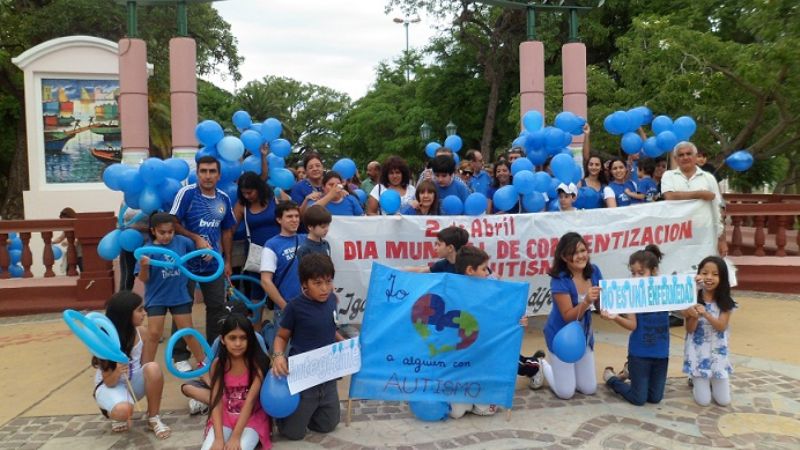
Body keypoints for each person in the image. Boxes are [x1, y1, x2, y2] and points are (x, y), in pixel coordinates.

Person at [448, 246, 540, 419]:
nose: (487, 273)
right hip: (463, 361)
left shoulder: (493, 290)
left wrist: (519, 321)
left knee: (486, 410)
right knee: (456, 412)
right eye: (484, 269)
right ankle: (467, 398)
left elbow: (507, 313)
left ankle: (535, 366)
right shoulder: (453, 290)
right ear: (470, 270)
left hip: (485, 359)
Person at [170, 156, 237, 371]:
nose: (207, 176)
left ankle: (214, 352)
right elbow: (172, 223)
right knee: (183, 308)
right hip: (186, 262)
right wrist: (196, 239)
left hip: (214, 264)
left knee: (217, 308)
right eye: (203, 171)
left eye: (212, 172)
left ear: (218, 175)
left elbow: (227, 231)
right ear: (197, 173)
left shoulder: (224, 198)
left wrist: (227, 260)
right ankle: (180, 355)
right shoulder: (187, 193)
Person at [272, 253, 344, 440]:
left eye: (328, 282)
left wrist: (343, 342)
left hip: (327, 374)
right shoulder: (294, 308)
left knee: (328, 424)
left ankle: (311, 412)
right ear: (304, 283)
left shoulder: (332, 301)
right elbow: (281, 336)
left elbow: (330, 328)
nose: (324, 288)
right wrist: (278, 356)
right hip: (303, 376)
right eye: (318, 283)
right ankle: (283, 418)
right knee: (293, 433)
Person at [91, 291, 170, 439]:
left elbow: (146, 366)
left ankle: (153, 418)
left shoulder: (142, 332)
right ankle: (115, 411)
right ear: (126, 314)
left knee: (153, 368)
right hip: (111, 385)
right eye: (139, 310)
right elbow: (109, 381)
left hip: (132, 381)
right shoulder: (106, 338)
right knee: (124, 411)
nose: (144, 313)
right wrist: (117, 371)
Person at [601, 245, 670, 406]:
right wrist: (616, 317)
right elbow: (632, 325)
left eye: (641, 273)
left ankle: (630, 374)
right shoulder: (632, 294)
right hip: (639, 354)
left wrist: (695, 287)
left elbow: (684, 306)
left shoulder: (665, 291)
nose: (636, 277)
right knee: (639, 399)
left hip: (661, 354)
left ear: (653, 271)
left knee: (654, 398)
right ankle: (612, 379)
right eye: (633, 273)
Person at [135, 213, 205, 366]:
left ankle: (204, 364)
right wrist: (145, 266)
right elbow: (143, 279)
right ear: (153, 231)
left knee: (188, 332)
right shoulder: (146, 250)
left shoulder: (182, 242)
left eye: (170, 232)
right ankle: (145, 369)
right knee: (153, 334)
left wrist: (207, 253)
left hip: (179, 296)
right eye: (162, 232)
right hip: (156, 298)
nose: (167, 236)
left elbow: (200, 251)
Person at [540, 232, 602, 400]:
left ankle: (568, 370)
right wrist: (586, 301)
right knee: (566, 392)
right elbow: (568, 316)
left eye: (583, 250)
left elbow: (601, 305)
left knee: (589, 388)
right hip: (561, 336)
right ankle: (542, 364)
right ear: (564, 257)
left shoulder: (594, 271)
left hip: (583, 335)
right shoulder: (559, 280)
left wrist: (610, 306)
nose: (581, 256)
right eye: (574, 253)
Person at [201, 313, 271, 450]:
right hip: (225, 418)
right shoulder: (217, 365)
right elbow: (215, 401)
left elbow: (250, 402)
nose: (238, 343)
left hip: (252, 420)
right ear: (222, 340)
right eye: (232, 338)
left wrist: (235, 437)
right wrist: (219, 439)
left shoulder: (257, 366)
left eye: (243, 338)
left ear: (250, 339)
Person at [683, 256, 736, 407]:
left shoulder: (725, 302)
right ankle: (695, 379)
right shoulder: (692, 299)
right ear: (698, 274)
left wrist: (705, 313)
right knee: (703, 401)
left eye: (715, 274)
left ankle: (712, 381)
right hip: (698, 355)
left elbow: (721, 326)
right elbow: (690, 329)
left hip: (718, 356)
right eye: (705, 273)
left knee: (724, 401)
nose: (709, 277)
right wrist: (693, 315)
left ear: (723, 277)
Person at [661, 141, 727, 256]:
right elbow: (669, 197)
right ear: (676, 159)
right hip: (676, 237)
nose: (685, 157)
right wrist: (700, 194)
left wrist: (722, 240)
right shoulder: (668, 176)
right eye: (681, 155)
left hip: (705, 236)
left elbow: (718, 210)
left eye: (688, 154)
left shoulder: (709, 178)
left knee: (705, 271)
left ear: (696, 157)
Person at [260, 201, 306, 347]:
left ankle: (269, 330)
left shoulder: (306, 239)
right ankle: (267, 330)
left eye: (297, 216)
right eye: (289, 216)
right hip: (285, 308)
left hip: (308, 306)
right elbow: (266, 281)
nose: (294, 220)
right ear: (279, 219)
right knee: (281, 355)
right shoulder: (271, 245)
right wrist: (285, 306)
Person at [579, 124, 616, 208]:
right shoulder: (581, 183)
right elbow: (585, 157)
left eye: (597, 165)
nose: (594, 167)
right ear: (587, 166)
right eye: (591, 164)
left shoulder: (605, 185)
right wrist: (586, 134)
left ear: (601, 167)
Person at [54, 207, 84, 272]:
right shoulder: (67, 228)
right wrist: (52, 242)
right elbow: (60, 238)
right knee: (69, 271)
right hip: (71, 253)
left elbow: (76, 241)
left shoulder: (78, 226)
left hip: (80, 254)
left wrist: (66, 243)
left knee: (83, 271)